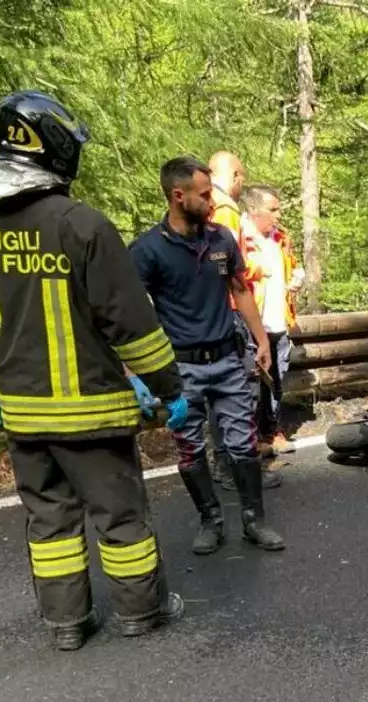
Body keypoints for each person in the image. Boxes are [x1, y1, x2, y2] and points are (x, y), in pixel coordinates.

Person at [0, 91, 186, 651]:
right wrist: (168, 387)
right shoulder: (82, 225)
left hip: (23, 417)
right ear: (57, 150)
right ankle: (141, 611)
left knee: (50, 523)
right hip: (92, 413)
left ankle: (67, 624)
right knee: (120, 516)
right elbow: (129, 321)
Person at [129, 156, 285, 554]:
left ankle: (254, 521)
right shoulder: (147, 251)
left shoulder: (221, 239)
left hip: (229, 361)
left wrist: (261, 339)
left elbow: (239, 289)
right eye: (203, 195)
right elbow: (129, 312)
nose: (211, 201)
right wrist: (135, 372)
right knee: (190, 447)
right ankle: (210, 521)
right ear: (178, 196)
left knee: (243, 444)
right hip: (182, 368)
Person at [205, 151, 282, 489]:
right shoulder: (225, 210)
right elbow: (228, 267)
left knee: (223, 391)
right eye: (242, 179)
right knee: (240, 391)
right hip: (228, 311)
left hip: (213, 312)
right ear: (235, 175)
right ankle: (239, 467)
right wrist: (254, 271)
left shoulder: (207, 207)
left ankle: (226, 465)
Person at [240, 185, 305, 452]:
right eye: (273, 209)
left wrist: (297, 277)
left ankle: (272, 432)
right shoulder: (239, 238)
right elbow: (235, 277)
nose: (279, 214)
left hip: (279, 320)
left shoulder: (281, 238)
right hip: (252, 323)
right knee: (253, 384)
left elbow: (292, 265)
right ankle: (251, 438)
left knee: (277, 380)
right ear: (254, 210)